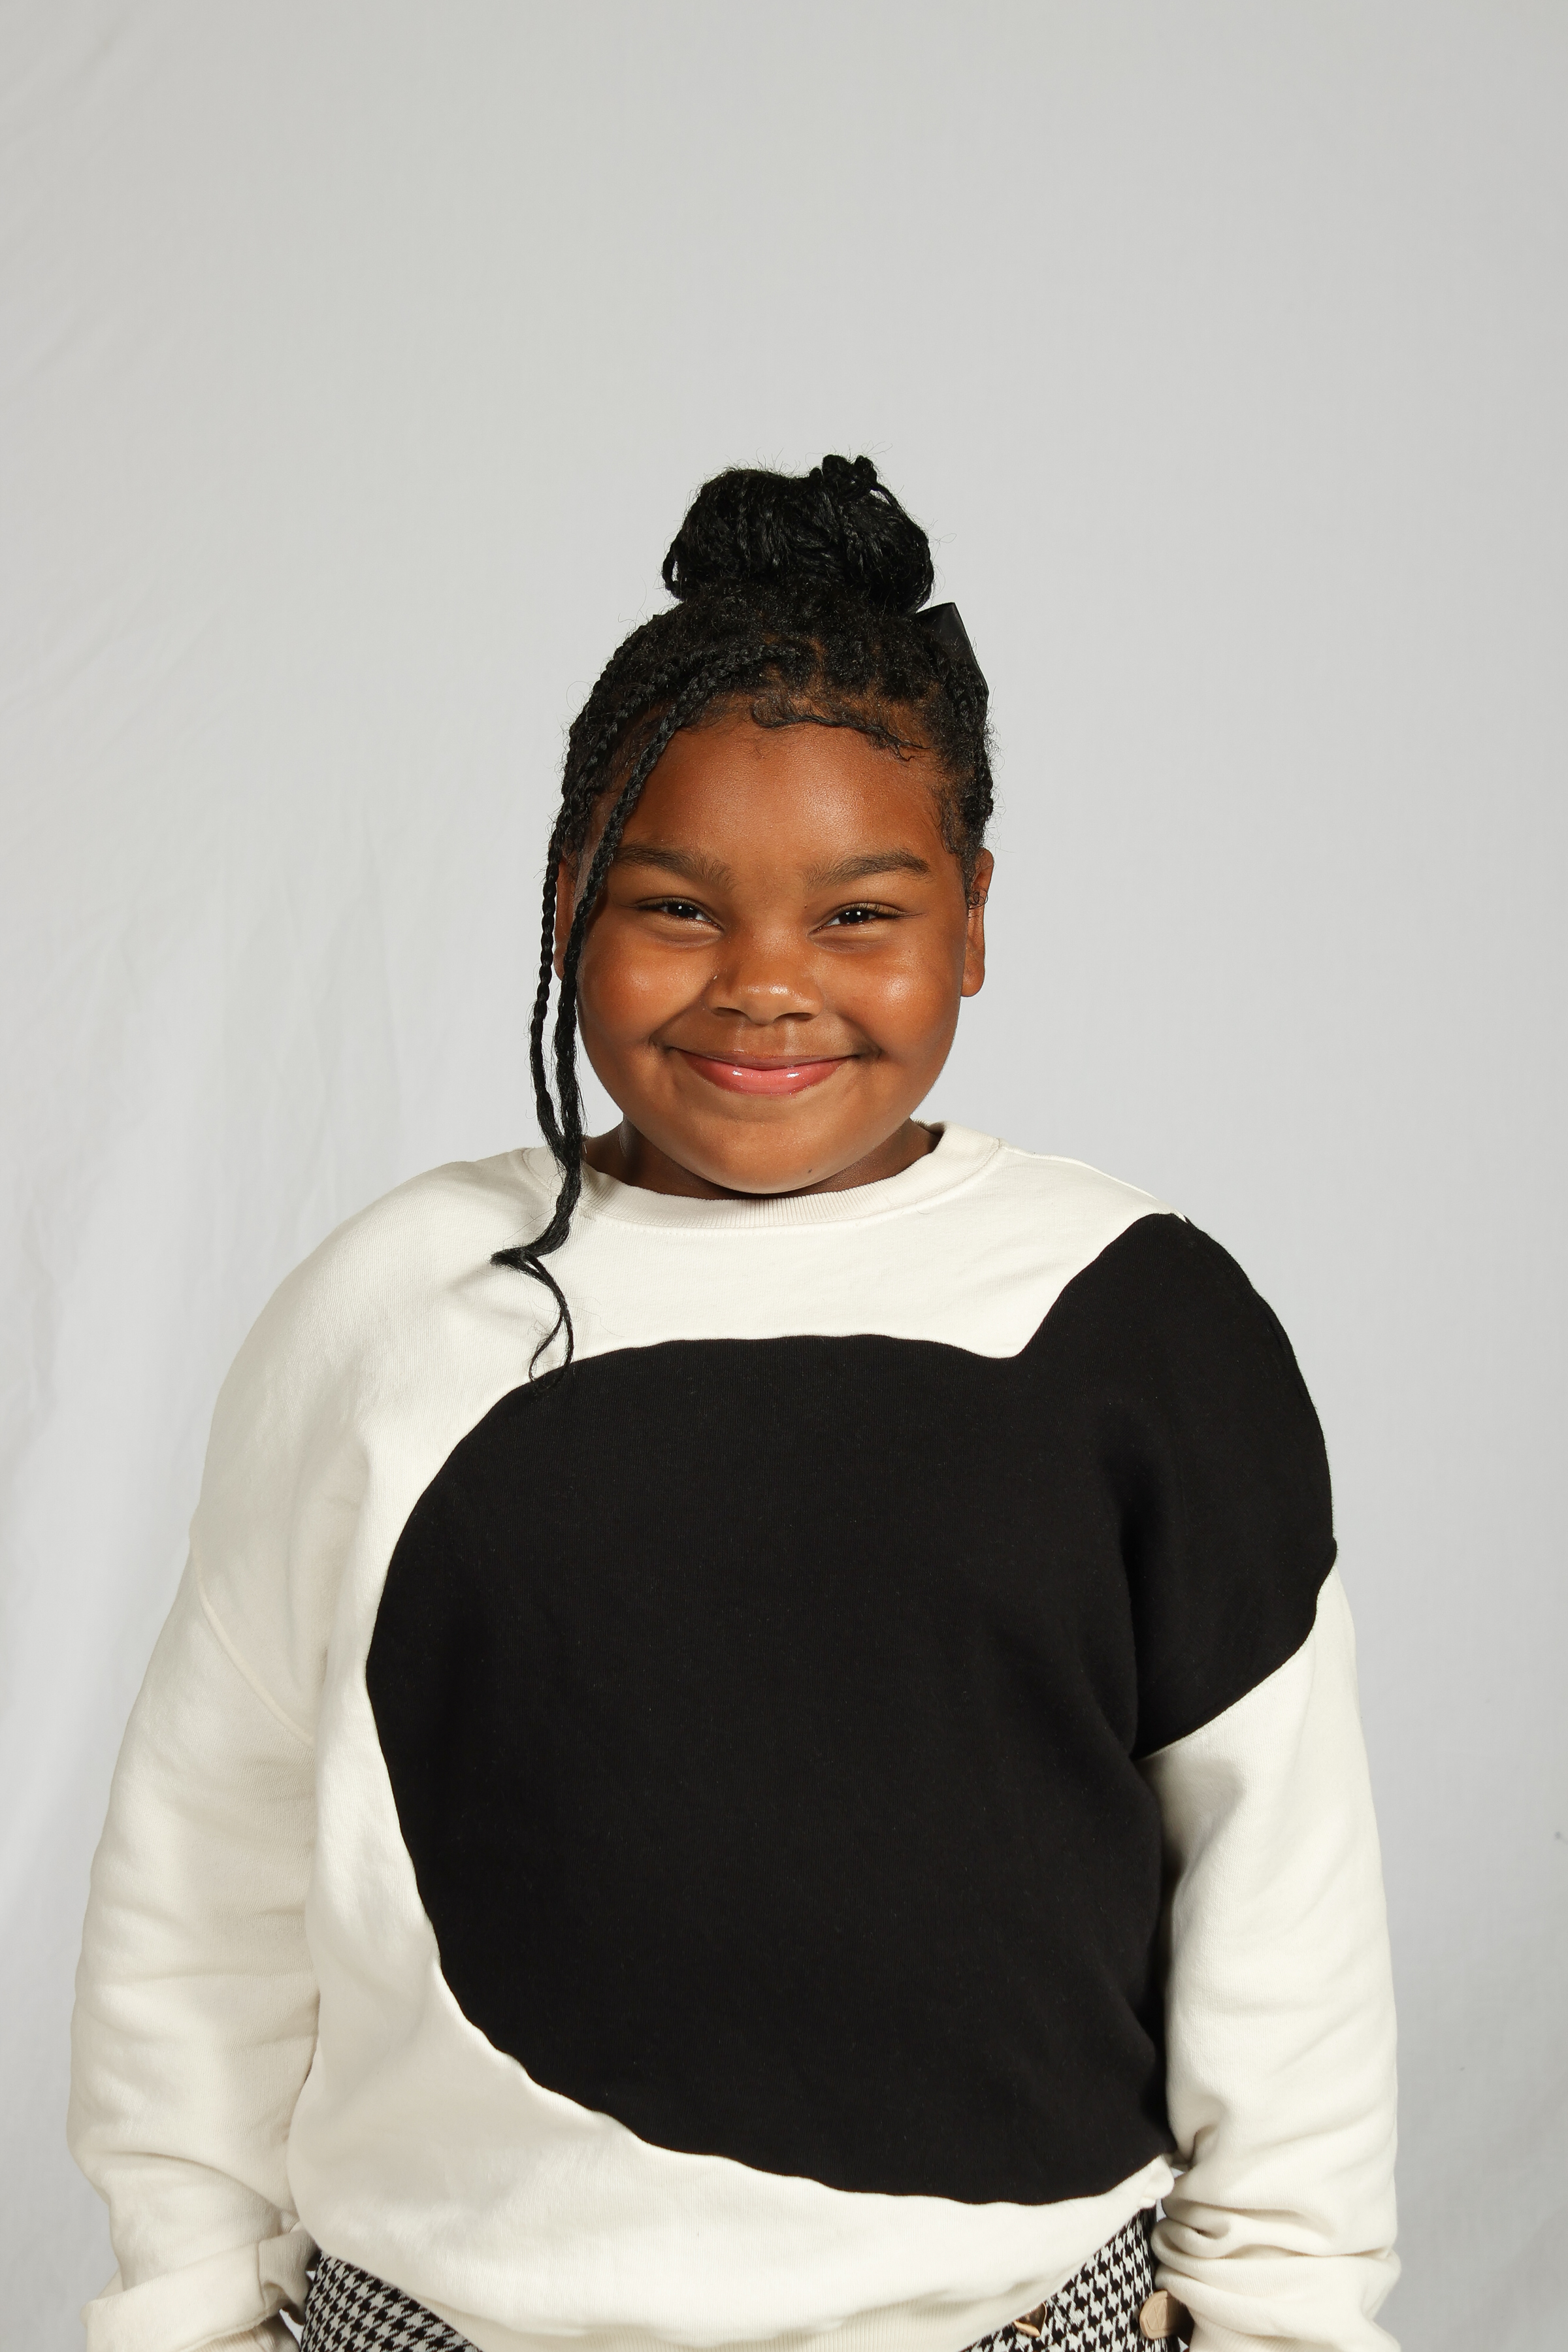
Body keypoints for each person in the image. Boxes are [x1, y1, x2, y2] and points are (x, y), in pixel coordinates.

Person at [69, 456, 1399, 2352]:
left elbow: (1282, 1887)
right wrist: (189, 2305)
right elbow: (206, 1868)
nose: (767, 988)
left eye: (859, 914)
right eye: (676, 906)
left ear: (973, 917)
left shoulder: (1138, 1322)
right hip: (436, 2319)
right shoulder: (390, 1315)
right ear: (567, 905)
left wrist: (1284, 2316)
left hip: (1009, 2323)